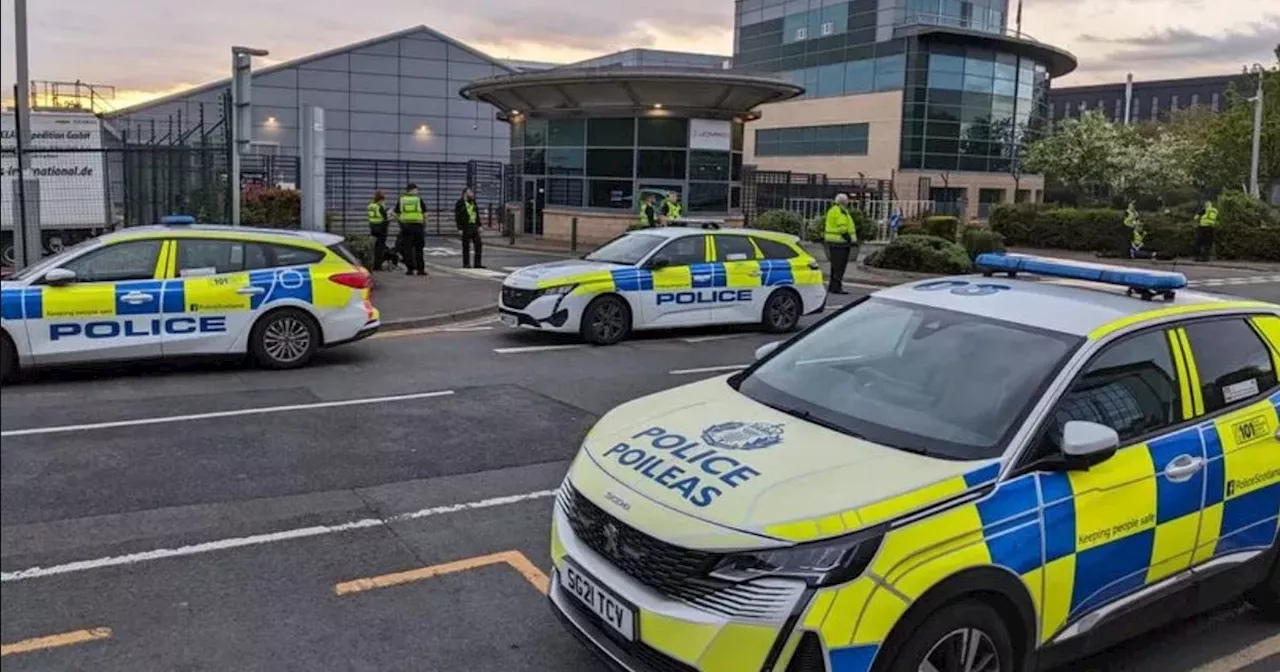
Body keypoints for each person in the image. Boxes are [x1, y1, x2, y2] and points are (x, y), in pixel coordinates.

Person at [823, 194, 856, 295]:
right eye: (847, 200)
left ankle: (832, 287)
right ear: (844, 202)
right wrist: (850, 240)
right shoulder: (840, 211)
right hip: (841, 243)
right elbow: (842, 228)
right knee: (840, 267)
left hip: (834, 243)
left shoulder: (832, 210)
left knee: (834, 267)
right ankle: (837, 287)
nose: (848, 202)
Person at [393, 182, 428, 276]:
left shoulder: (401, 200)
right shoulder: (418, 199)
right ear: (412, 190)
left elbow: (395, 213)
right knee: (419, 248)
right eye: (416, 189)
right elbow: (425, 213)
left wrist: (401, 221)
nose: (417, 191)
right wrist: (425, 224)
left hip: (406, 226)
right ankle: (420, 269)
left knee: (408, 248)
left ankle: (410, 269)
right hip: (418, 226)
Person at [455, 186, 484, 269]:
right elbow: (457, 217)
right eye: (470, 192)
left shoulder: (473, 202)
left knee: (478, 244)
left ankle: (477, 263)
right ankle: (466, 264)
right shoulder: (459, 203)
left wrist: (480, 225)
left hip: (474, 225)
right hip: (465, 226)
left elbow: (476, 214)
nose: (472, 194)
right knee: (466, 246)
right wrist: (459, 228)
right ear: (465, 194)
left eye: (472, 192)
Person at [366, 191, 390, 270]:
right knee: (380, 248)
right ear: (381, 200)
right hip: (381, 228)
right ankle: (378, 265)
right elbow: (385, 218)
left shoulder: (370, 205)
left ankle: (373, 264)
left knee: (374, 247)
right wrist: (389, 214)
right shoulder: (380, 206)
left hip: (373, 227)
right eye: (383, 200)